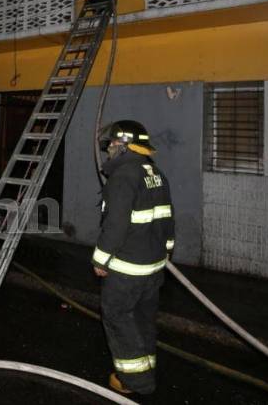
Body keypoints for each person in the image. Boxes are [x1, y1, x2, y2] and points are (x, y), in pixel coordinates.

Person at [92, 120, 174, 396]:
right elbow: (168, 220)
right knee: (143, 318)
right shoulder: (156, 174)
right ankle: (146, 367)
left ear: (124, 145)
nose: (109, 150)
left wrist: (100, 260)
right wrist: (166, 253)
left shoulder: (124, 176)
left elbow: (115, 225)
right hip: (153, 269)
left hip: (128, 270)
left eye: (113, 144)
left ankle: (134, 382)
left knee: (117, 316)